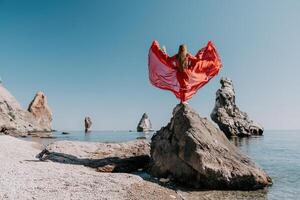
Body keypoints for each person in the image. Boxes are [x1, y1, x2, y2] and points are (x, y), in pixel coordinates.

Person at [148, 40, 222, 102]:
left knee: (183, 87)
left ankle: (183, 101)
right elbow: (196, 60)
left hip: (179, 73)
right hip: (186, 72)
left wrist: (162, 53)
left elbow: (168, 60)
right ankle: (183, 101)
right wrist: (200, 54)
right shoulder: (187, 55)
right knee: (184, 87)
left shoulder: (177, 56)